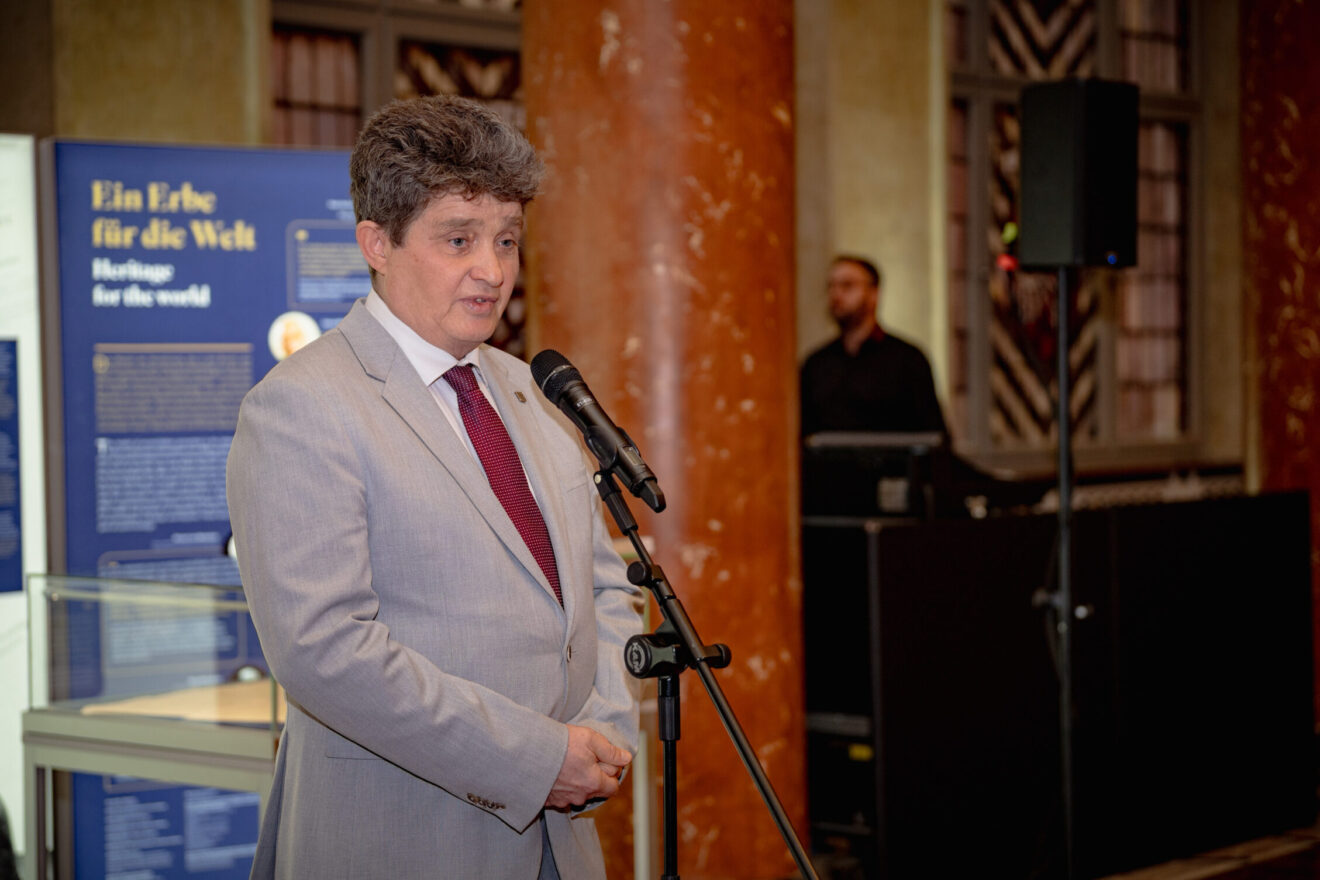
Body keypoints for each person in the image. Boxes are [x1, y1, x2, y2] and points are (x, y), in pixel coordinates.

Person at [226, 95, 644, 879]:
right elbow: (325, 650)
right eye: (459, 239)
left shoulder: (530, 391)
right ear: (376, 243)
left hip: (563, 845)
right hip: (399, 842)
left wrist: (606, 735)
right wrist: (536, 760)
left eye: (507, 240)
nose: (494, 270)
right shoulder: (301, 406)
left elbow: (606, 587)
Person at [799, 255, 948, 438]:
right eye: (831, 286)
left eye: (847, 286)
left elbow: (932, 435)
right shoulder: (816, 364)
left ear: (874, 294)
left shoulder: (908, 360)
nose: (836, 295)